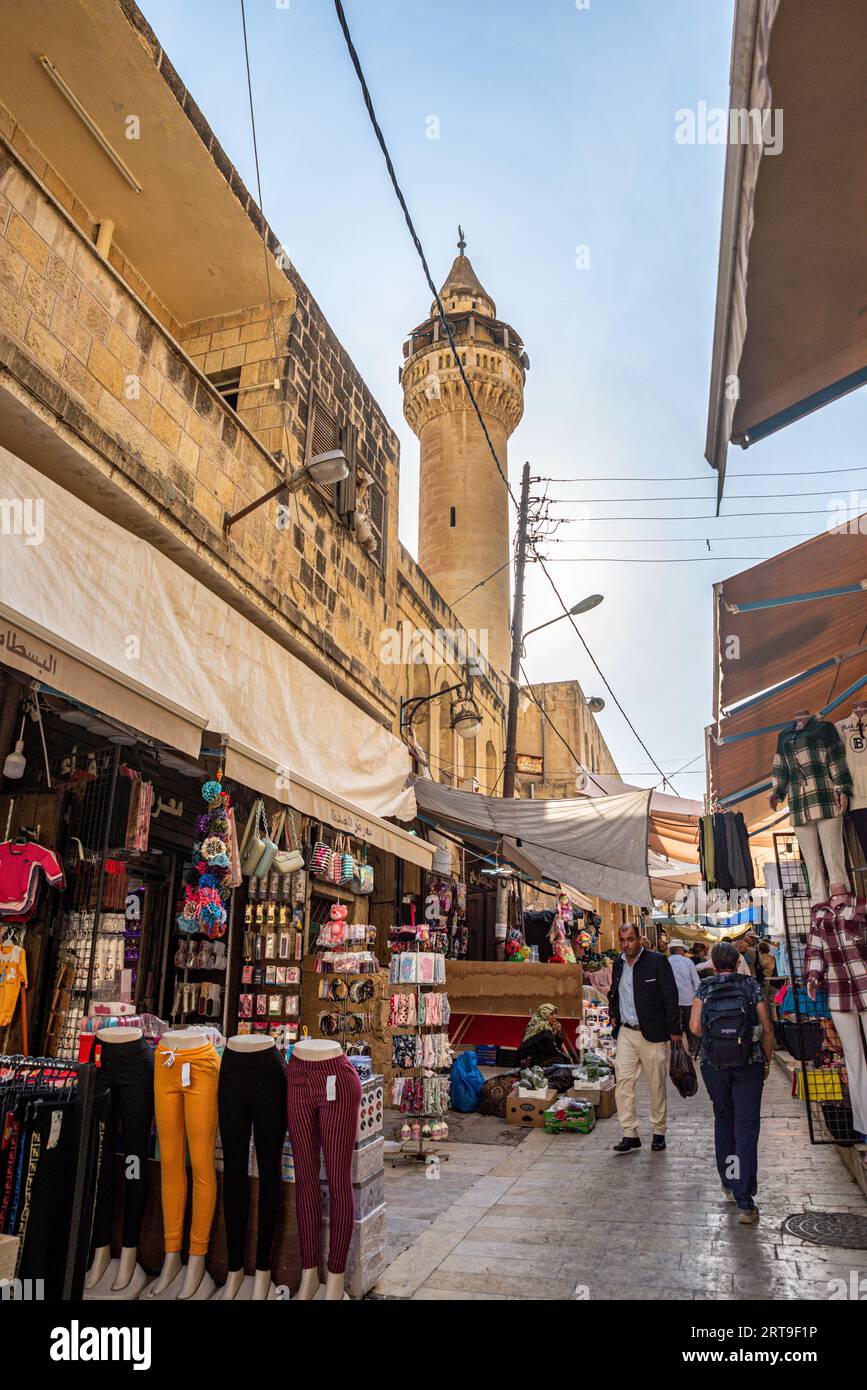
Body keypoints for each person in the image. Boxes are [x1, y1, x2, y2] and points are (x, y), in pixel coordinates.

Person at [689, 941, 775, 1224]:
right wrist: (766, 1059)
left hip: (715, 1065)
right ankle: (745, 1201)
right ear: (738, 962)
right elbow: (766, 1026)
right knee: (747, 1125)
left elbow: (695, 1027)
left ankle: (729, 1180)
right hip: (748, 1064)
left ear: (713, 964)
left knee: (724, 1120)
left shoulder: (705, 987)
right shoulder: (750, 986)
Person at [608, 922, 682, 1154]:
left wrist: (675, 1030)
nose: (626, 944)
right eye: (622, 940)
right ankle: (630, 1133)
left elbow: (671, 996)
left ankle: (658, 1131)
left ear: (639, 938)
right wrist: (614, 1015)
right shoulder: (618, 963)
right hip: (627, 1032)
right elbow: (614, 991)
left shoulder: (657, 961)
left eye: (630, 939)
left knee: (656, 1084)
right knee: (624, 1083)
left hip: (653, 1033)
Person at [517, 1004, 580, 1069]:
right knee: (559, 1060)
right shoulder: (541, 1028)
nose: (555, 1016)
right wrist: (568, 1059)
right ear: (544, 1015)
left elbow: (554, 1046)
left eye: (555, 1013)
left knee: (560, 1059)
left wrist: (557, 1033)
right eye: (551, 1014)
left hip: (538, 1058)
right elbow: (551, 1050)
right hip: (530, 1062)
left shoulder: (547, 1028)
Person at [668, 941, 702, 1056]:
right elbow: (696, 981)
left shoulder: (665, 962)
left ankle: (677, 1051)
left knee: (674, 1026)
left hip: (671, 1001)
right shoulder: (688, 962)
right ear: (681, 950)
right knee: (690, 1026)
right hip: (688, 999)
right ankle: (694, 1049)